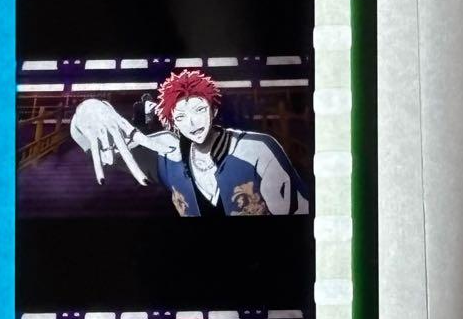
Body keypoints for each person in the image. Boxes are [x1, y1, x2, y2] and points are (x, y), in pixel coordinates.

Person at [70, 69, 310, 217]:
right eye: (181, 116)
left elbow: (300, 213)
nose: (192, 123)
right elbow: (97, 147)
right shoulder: (167, 155)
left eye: (199, 110)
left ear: (214, 110)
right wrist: (87, 110)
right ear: (172, 121)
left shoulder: (256, 150)